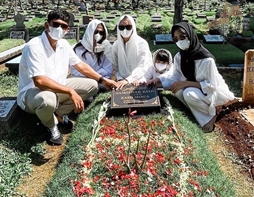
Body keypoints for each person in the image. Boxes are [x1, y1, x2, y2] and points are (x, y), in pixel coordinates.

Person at [17, 9, 119, 146]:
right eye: (56, 24)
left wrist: (102, 80)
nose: (59, 29)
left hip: (58, 86)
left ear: (67, 29)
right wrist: (70, 91)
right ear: (47, 25)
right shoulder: (34, 46)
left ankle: (58, 114)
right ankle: (51, 126)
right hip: (33, 92)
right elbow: (39, 81)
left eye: (63, 26)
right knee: (47, 100)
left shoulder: (63, 45)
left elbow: (80, 65)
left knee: (92, 86)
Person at [148, 22, 235, 133]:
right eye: (175, 39)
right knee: (177, 89)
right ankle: (198, 113)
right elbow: (176, 77)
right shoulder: (180, 56)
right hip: (197, 90)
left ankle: (211, 116)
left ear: (190, 35)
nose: (179, 41)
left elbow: (212, 86)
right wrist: (159, 82)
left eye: (182, 37)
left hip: (214, 92)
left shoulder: (206, 59)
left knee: (188, 93)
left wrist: (186, 83)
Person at [107, 15, 152, 87]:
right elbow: (115, 66)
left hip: (140, 78)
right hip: (122, 80)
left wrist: (129, 80)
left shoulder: (142, 44)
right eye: (121, 27)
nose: (125, 30)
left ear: (133, 27)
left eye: (128, 27)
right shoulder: (116, 45)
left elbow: (143, 66)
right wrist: (120, 79)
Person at [70, 20, 113, 91]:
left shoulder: (106, 48)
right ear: (90, 32)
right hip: (82, 81)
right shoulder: (78, 49)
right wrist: (92, 76)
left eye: (101, 32)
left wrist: (96, 76)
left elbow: (107, 69)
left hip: (102, 80)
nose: (98, 35)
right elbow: (75, 71)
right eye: (96, 32)